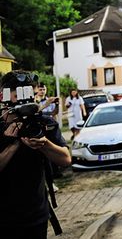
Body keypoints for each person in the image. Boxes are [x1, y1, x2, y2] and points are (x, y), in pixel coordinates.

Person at [0, 71, 71, 239]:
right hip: (3, 218)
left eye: (28, 94)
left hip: (35, 215)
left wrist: (44, 144)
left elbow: (66, 159)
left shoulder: (43, 124)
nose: (25, 100)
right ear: (3, 96)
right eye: (18, 95)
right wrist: (14, 143)